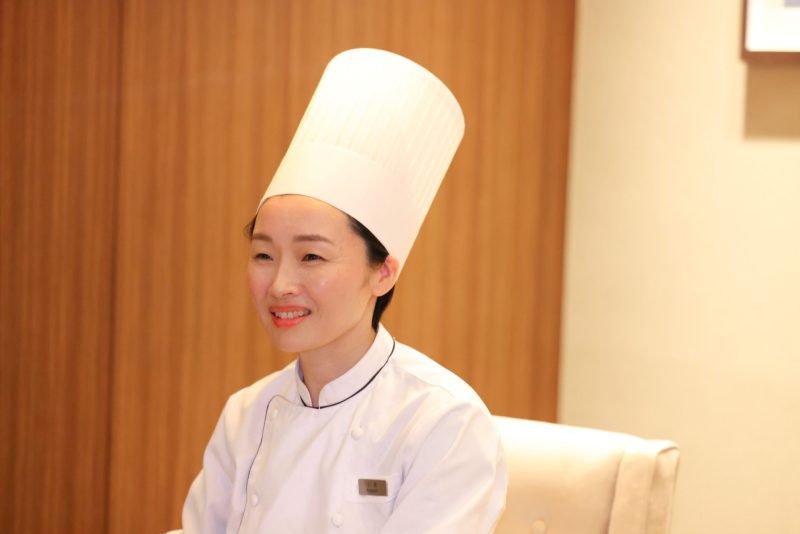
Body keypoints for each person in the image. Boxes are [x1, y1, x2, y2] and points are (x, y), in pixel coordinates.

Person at [171, 48, 507, 534]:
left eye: (311, 256)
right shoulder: (248, 413)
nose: (280, 285)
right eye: (264, 254)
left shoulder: (443, 421)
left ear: (383, 273)